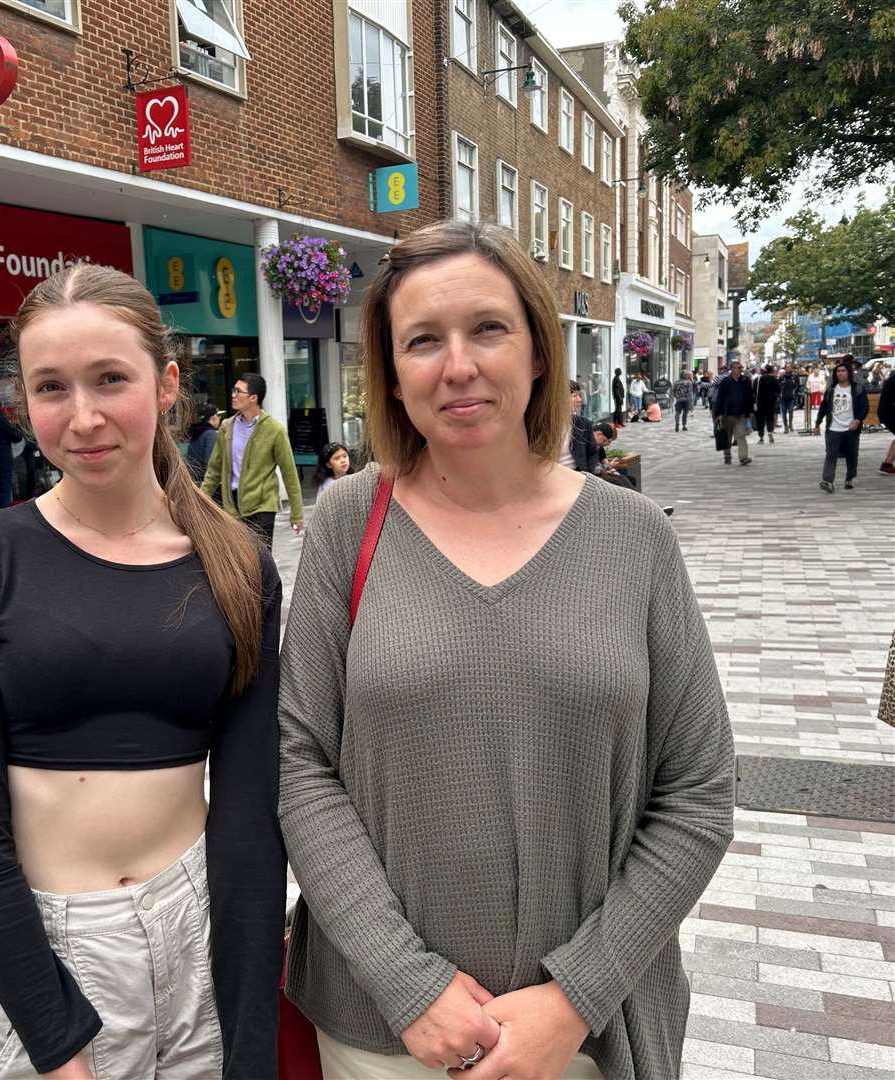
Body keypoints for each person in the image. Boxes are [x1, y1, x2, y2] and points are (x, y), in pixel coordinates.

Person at [278, 221, 735, 1080]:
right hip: (380, 1034)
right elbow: (298, 762)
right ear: (392, 372)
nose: (458, 364)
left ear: (536, 351)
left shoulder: (633, 539)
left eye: (488, 328)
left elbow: (699, 794)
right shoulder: (349, 520)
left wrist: (576, 996)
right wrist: (408, 984)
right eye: (422, 340)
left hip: (584, 1038)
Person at [0, 263, 285, 1080]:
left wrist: (252, 1037)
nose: (82, 417)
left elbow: (253, 811)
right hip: (53, 942)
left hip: (201, 927)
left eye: (110, 379)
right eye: (52, 388)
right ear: (26, 404)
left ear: (166, 385)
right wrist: (55, 1042)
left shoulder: (236, 564)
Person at [201, 372, 304, 550]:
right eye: (233, 390)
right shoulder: (227, 427)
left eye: (238, 391)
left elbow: (289, 474)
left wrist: (297, 514)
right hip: (232, 506)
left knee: (261, 561)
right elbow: (214, 470)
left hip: (262, 506)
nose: (233, 395)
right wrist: (200, 498)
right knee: (238, 561)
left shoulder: (274, 430)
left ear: (253, 398)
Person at [815, 360, 869, 492]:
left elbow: (864, 407)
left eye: (843, 370)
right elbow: (824, 406)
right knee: (831, 455)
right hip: (833, 428)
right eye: (838, 371)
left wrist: (857, 420)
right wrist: (818, 422)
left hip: (851, 428)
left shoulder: (857, 388)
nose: (840, 373)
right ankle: (828, 481)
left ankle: (849, 477)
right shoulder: (831, 390)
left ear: (849, 372)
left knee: (852, 455)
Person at [712, 360, 754, 466]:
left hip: (740, 414)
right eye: (738, 368)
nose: (740, 370)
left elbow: (749, 397)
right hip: (727, 414)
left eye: (741, 368)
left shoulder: (745, 381)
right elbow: (720, 398)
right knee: (727, 437)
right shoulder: (725, 382)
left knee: (741, 436)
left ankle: (743, 457)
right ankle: (727, 457)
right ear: (733, 369)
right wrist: (718, 413)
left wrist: (749, 411)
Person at [185, 402, 220, 482]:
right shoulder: (211, 434)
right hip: (205, 480)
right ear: (213, 418)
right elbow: (210, 461)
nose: (219, 419)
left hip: (193, 477)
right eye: (218, 416)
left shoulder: (196, 433)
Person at [754, 364, 780, 444]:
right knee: (770, 418)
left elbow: (753, 391)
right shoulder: (774, 379)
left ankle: (761, 438)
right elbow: (778, 391)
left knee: (760, 420)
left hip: (760, 403)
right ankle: (770, 432)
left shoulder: (757, 379)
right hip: (771, 403)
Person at [878, 369, 895, 475]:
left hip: (887, 412)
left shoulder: (892, 378)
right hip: (890, 412)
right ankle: (887, 464)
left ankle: (887, 464)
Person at [778, 365, 800, 433]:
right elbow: (778, 386)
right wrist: (779, 394)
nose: (788, 369)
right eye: (787, 367)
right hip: (783, 398)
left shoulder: (794, 376)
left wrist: (794, 393)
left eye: (789, 367)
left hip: (791, 397)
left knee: (791, 411)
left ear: (791, 368)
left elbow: (797, 385)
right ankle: (786, 426)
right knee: (784, 413)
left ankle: (790, 424)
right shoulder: (781, 377)